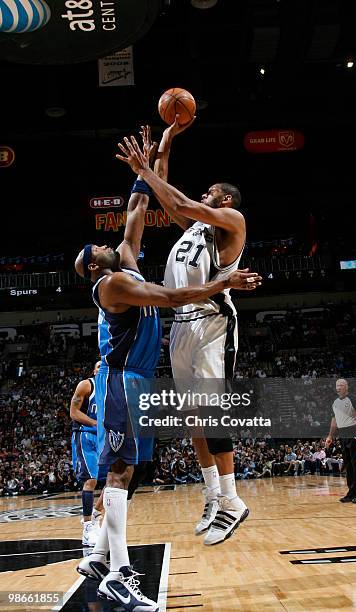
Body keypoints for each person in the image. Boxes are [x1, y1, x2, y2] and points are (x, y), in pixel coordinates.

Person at [76, 127, 261, 609]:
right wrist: (224, 283)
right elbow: (174, 292)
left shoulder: (130, 257)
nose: (99, 244)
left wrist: (161, 146)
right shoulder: (114, 283)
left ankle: (101, 554)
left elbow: (143, 201)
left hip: (156, 362)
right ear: (96, 268)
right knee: (123, 470)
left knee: (136, 468)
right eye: (91, 251)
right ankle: (115, 570)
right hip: (126, 375)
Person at [116, 118, 261, 545]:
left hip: (212, 322)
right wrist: (165, 141)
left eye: (210, 193)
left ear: (225, 199)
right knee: (192, 419)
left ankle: (234, 499)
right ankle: (213, 495)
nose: (204, 195)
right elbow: (165, 189)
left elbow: (177, 203)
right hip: (179, 326)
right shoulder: (195, 230)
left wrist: (143, 171)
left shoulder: (231, 220)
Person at [70, 360, 106, 546]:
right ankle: (86, 527)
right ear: (93, 370)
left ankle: (96, 515)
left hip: (105, 438)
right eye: (98, 366)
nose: (101, 368)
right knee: (90, 480)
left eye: (104, 366)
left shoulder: (111, 389)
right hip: (85, 436)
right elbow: (73, 412)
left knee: (116, 481)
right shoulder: (86, 385)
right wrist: (95, 423)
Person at [326, 378, 356, 503]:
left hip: (355, 434)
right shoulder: (335, 403)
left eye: (341, 385)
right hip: (343, 435)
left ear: (346, 387)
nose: (338, 387)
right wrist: (330, 436)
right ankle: (352, 492)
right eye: (337, 385)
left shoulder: (353, 399)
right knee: (349, 466)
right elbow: (334, 420)